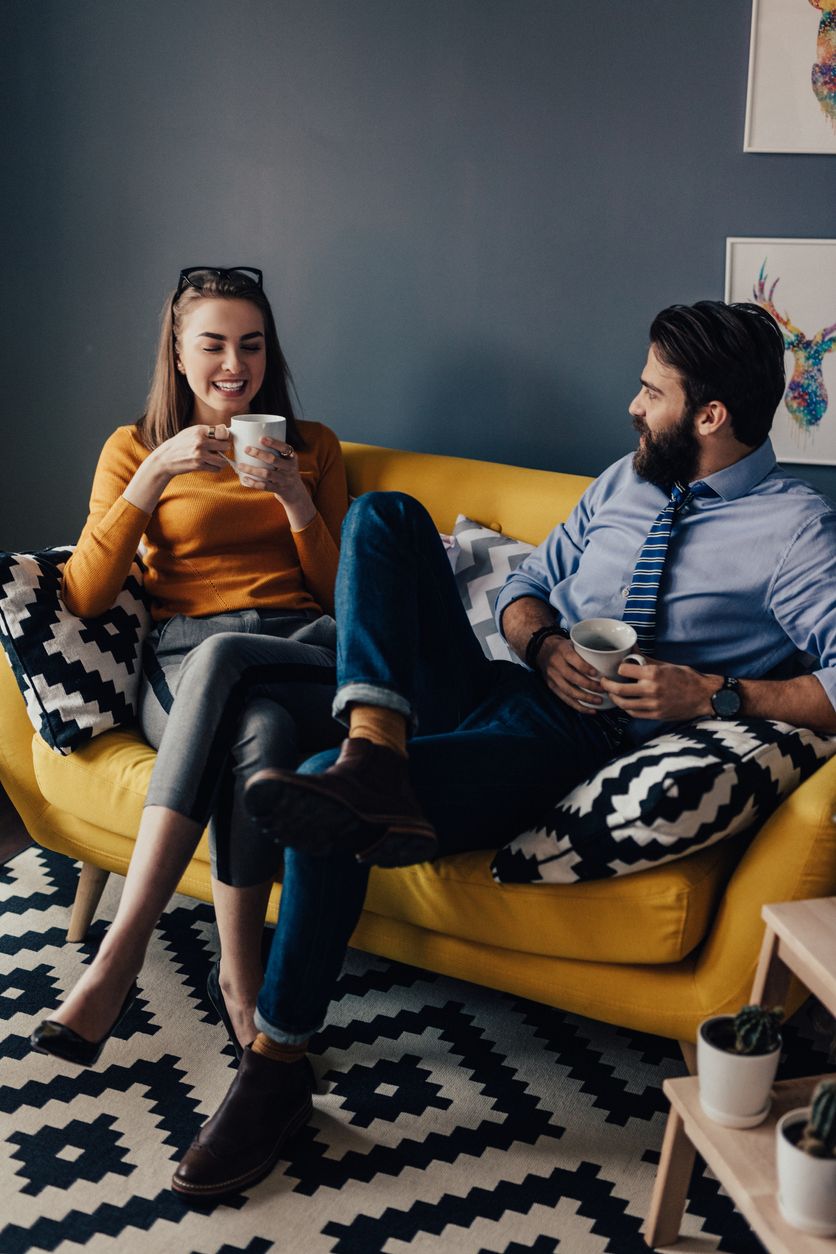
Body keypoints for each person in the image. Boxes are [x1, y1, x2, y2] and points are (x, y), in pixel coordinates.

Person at [171, 298, 836, 1201]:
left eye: (652, 391)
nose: (634, 407)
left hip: (579, 745)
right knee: (383, 518)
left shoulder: (795, 530)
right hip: (501, 680)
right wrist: (544, 643)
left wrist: (713, 694)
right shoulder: (625, 479)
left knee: (327, 795)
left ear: (710, 416)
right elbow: (528, 583)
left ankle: (275, 1066)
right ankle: (377, 742)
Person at [31, 266, 348, 1066]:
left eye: (252, 344)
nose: (234, 365)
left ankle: (120, 953)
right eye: (213, 345)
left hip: (300, 648)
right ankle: (241, 983)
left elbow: (345, 596)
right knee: (259, 727)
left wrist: (297, 503)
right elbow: (87, 593)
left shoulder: (313, 449)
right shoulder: (134, 446)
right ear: (177, 351)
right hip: (186, 660)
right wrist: (155, 472)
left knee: (241, 672)